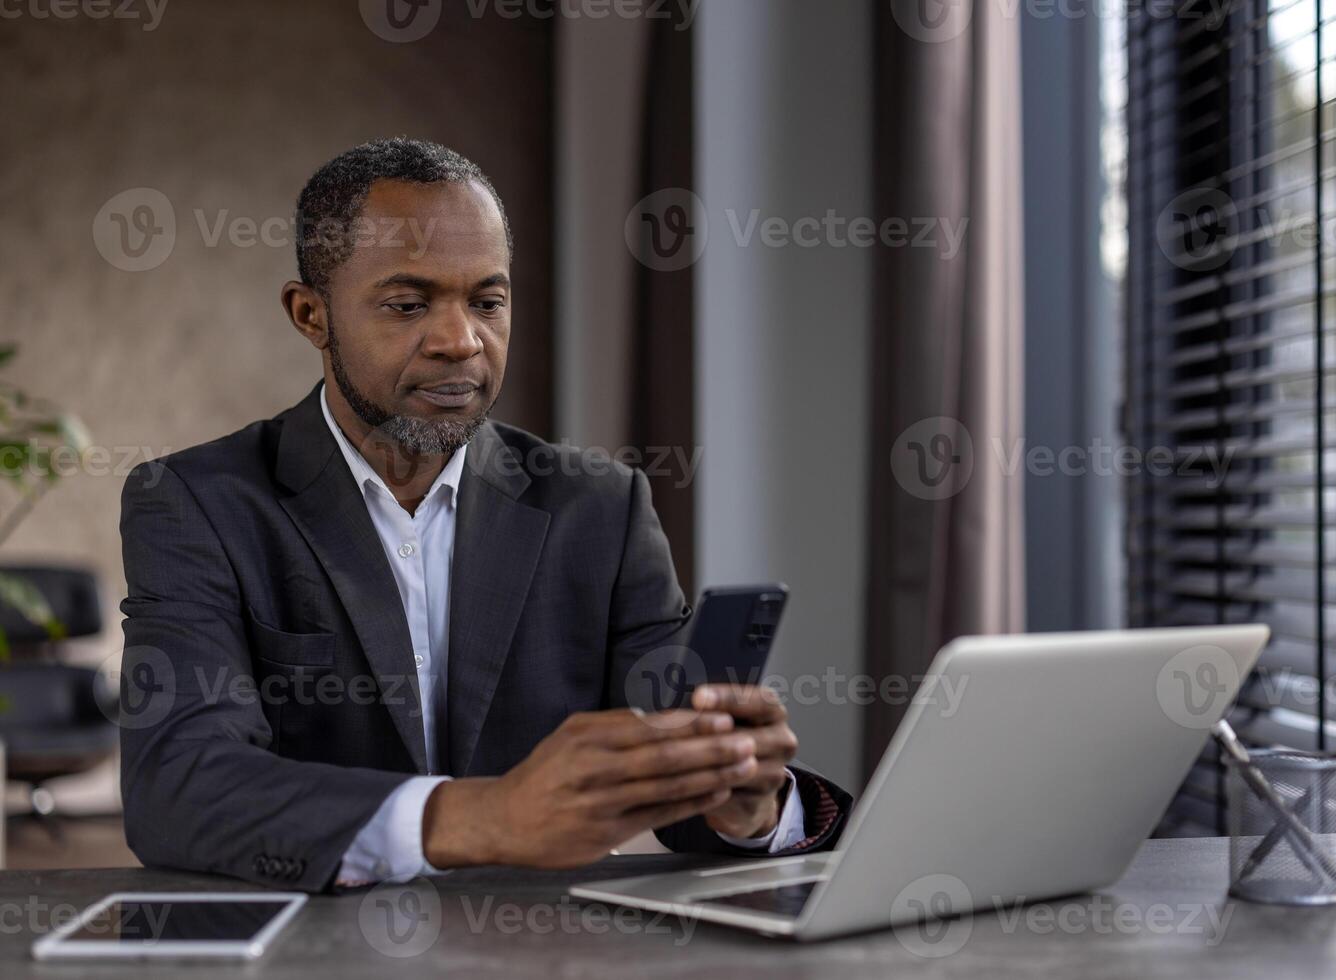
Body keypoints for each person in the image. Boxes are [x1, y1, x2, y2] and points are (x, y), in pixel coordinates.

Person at [117, 137, 848, 892]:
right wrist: (480, 817)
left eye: (488, 302)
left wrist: (748, 805)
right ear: (311, 315)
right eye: (408, 305)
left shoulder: (600, 508)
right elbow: (179, 785)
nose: (461, 341)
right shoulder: (193, 502)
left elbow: (673, 774)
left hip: (542, 952)